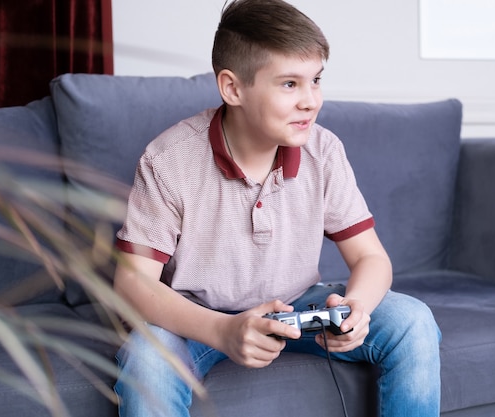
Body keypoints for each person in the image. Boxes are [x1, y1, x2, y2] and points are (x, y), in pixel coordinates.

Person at [112, 0, 441, 416]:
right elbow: (132, 284)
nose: (311, 101)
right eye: (290, 84)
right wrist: (223, 329)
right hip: (200, 318)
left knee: (411, 319)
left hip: (298, 306)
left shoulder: (324, 150)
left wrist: (357, 307)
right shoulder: (168, 160)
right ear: (233, 88)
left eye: (316, 80)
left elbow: (372, 257)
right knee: (148, 358)